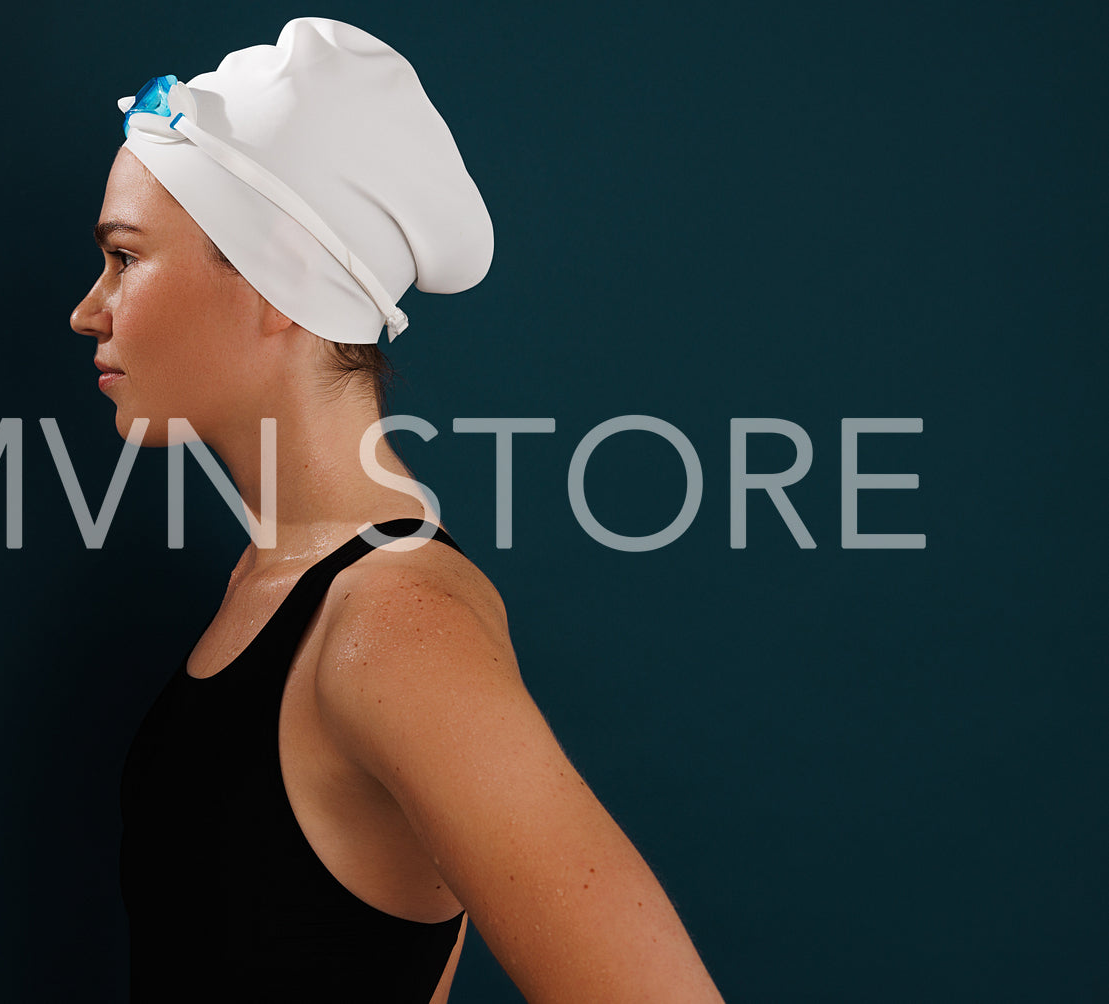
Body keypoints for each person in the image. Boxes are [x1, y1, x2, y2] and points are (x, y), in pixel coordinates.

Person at [70, 18, 724, 1003]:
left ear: (274, 283)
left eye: (124, 258)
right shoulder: (275, 581)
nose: (90, 307)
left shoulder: (390, 626)